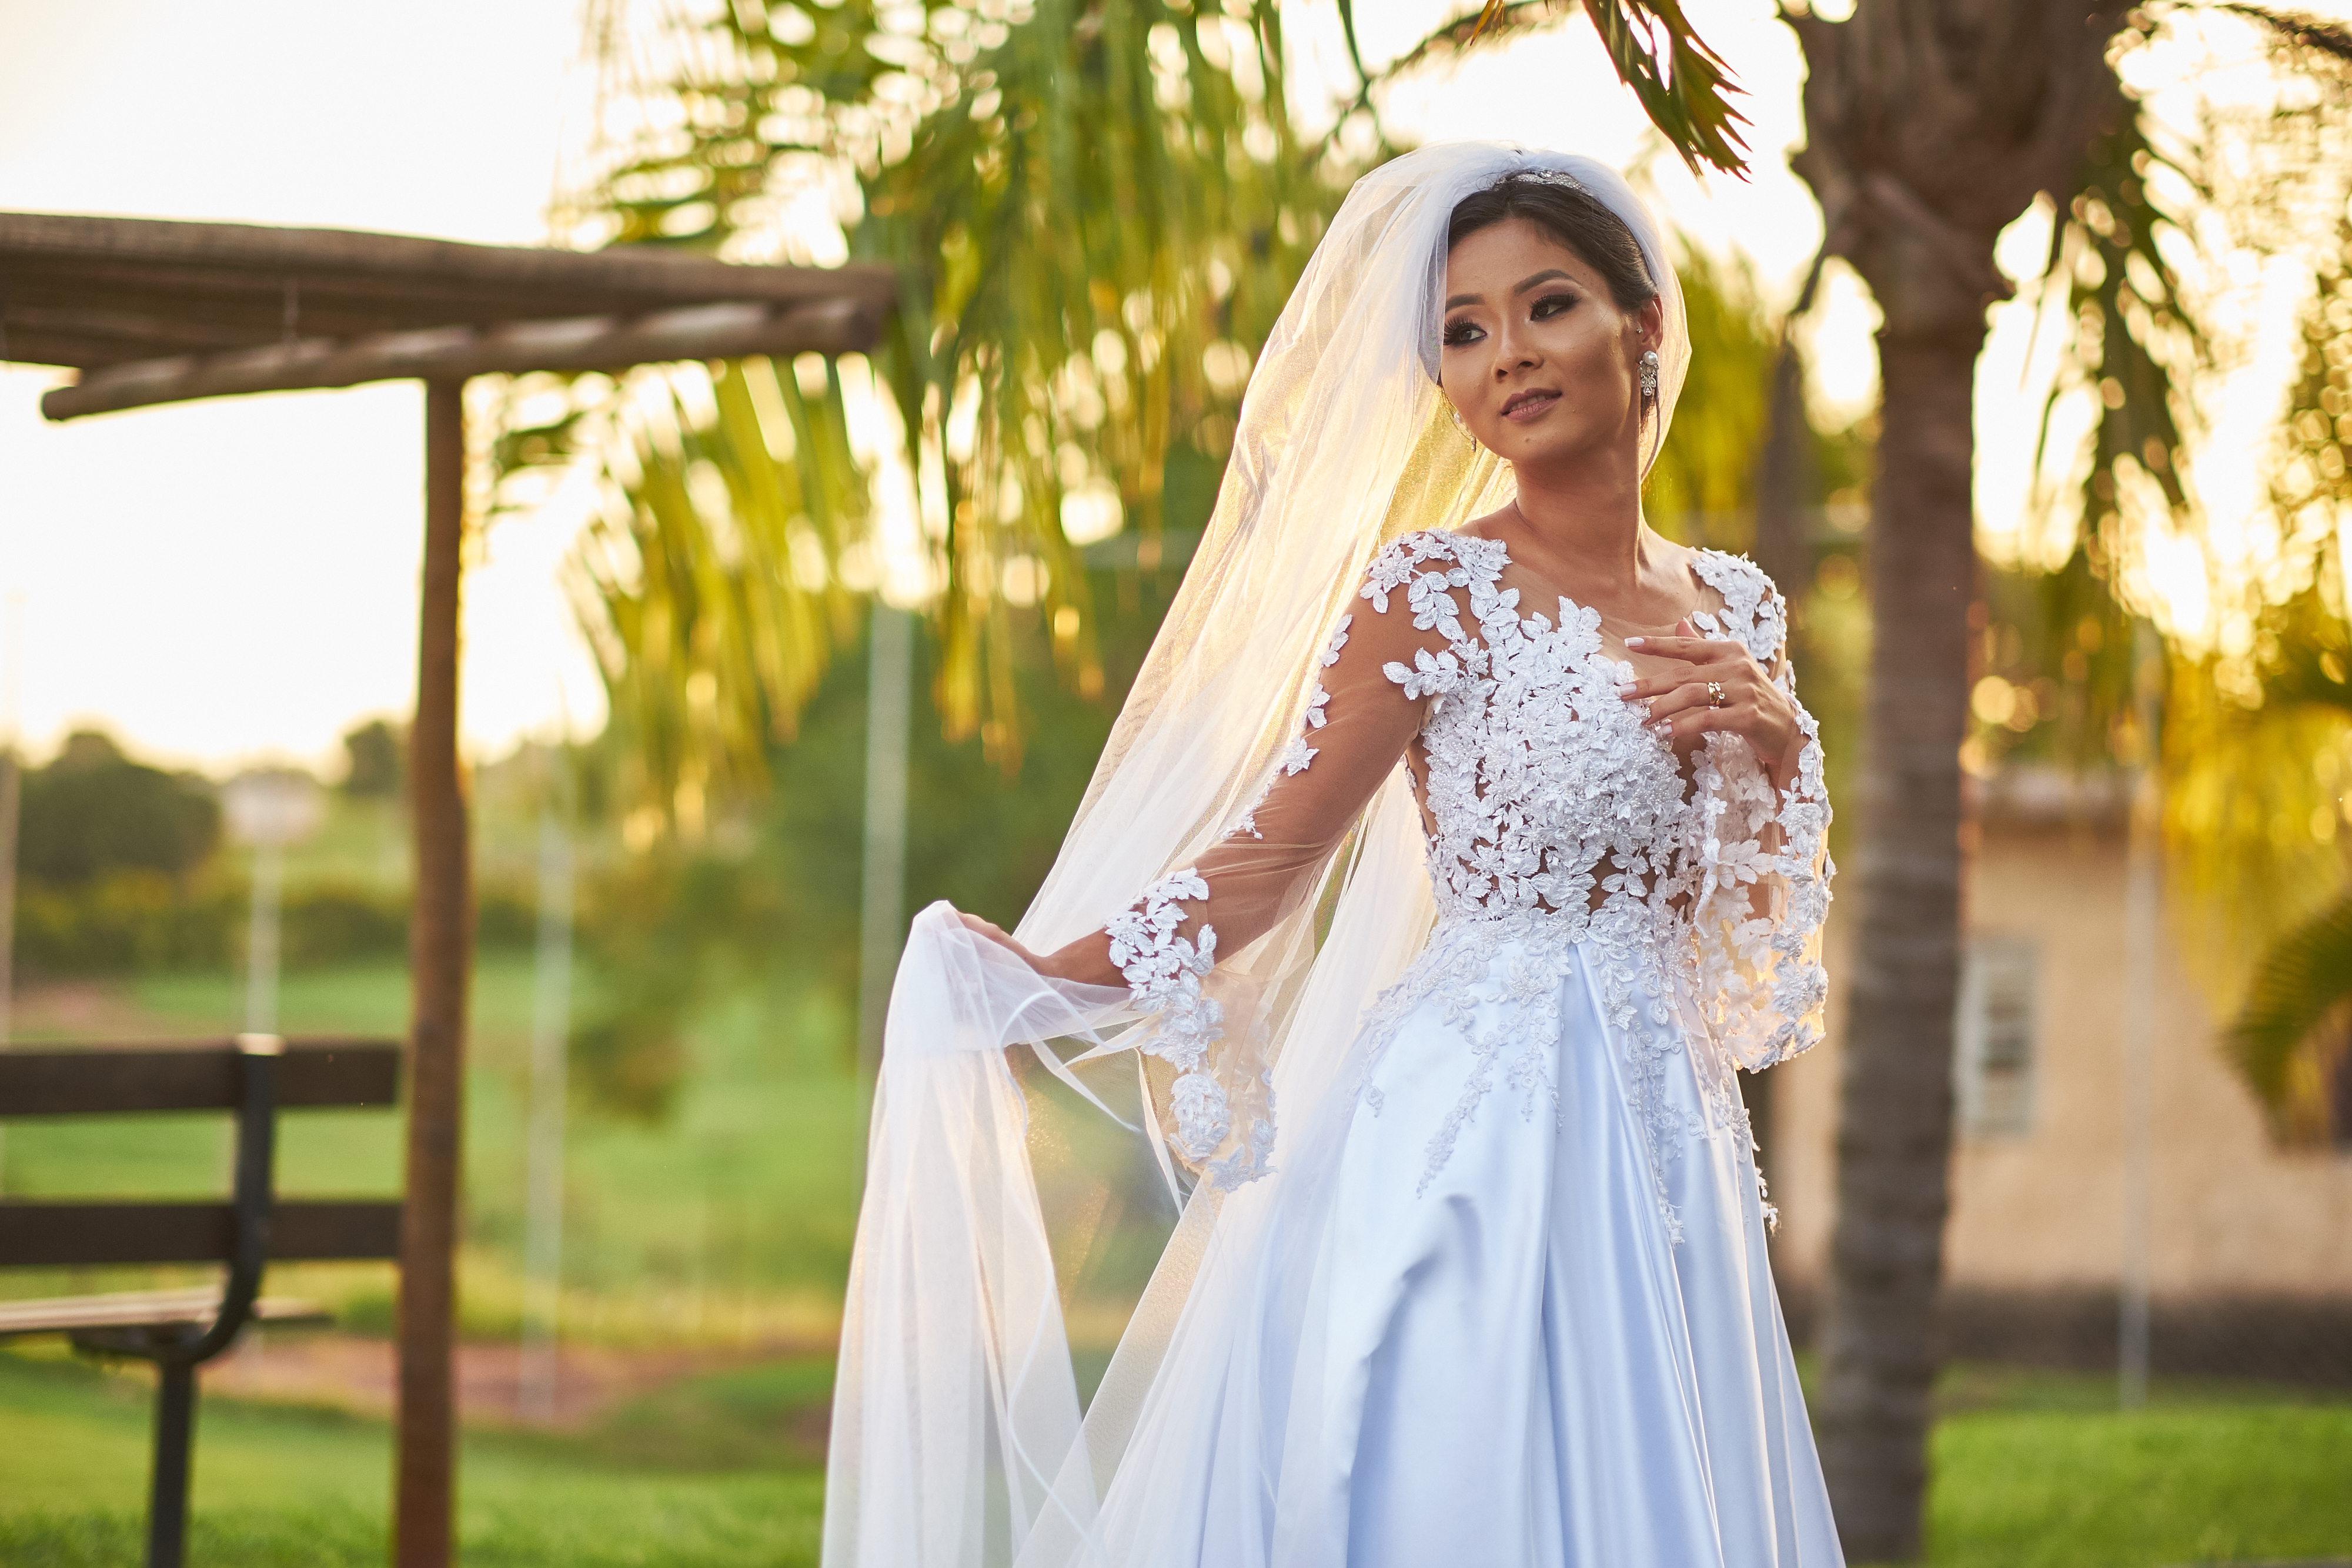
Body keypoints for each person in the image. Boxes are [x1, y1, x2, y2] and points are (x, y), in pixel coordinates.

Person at [824, 142, 1842, 1568]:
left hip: (1665, 1132)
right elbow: (1270, 854)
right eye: (1462, 331)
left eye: (1546, 305)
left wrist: (1781, 755)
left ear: (1642, 324)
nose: (1505, 354)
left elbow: (1736, 951)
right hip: (1470, 1130)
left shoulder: (1731, 603)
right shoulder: (1432, 588)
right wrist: (1053, 977)